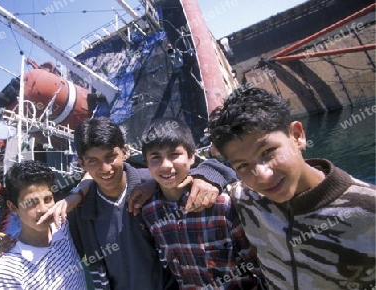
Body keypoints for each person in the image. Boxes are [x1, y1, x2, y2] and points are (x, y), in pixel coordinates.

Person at [206, 87, 376, 290]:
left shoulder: (368, 209)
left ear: (297, 136)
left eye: (268, 151)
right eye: (243, 165)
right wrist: (208, 173)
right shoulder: (246, 198)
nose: (263, 175)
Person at [38, 116, 231, 290]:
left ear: (125, 151)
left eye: (110, 156)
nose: (105, 168)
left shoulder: (154, 182)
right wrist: (9, 244)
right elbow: (53, 247)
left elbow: (196, 171)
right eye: (93, 161)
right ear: (82, 164)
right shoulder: (79, 210)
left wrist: (210, 175)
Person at [140, 117, 265, 289]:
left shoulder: (222, 205)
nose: (165, 165)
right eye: (155, 157)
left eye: (174, 155)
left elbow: (259, 266)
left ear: (192, 156)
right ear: (146, 163)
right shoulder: (150, 214)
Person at [0, 160, 87, 289]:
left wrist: (74, 197)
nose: (43, 209)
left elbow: (92, 175)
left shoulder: (63, 227)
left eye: (47, 199)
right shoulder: (8, 272)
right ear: (13, 207)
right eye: (31, 202)